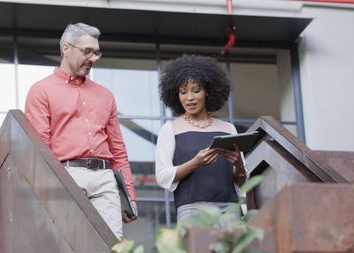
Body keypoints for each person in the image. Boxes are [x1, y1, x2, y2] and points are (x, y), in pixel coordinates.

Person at [25, 22, 137, 239]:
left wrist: (129, 195)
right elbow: (41, 148)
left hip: (105, 178)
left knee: (111, 244)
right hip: (66, 174)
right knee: (69, 242)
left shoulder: (106, 95)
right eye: (87, 51)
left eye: (96, 53)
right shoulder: (41, 91)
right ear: (66, 49)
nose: (93, 59)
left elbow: (118, 149)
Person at [155, 54, 248, 222]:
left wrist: (240, 166)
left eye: (196, 91)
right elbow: (162, 176)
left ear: (208, 92)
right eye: (183, 92)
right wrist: (195, 163)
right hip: (191, 209)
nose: (189, 98)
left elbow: (241, 180)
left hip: (229, 210)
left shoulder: (228, 129)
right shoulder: (170, 130)